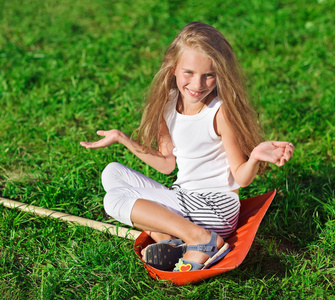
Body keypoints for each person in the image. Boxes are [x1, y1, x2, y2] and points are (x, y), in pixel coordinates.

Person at [80, 22, 294, 272]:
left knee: (114, 200)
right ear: (173, 69)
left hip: (215, 209)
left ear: (220, 75)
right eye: (189, 73)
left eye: (208, 75)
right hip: (187, 200)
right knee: (112, 172)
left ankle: (203, 240)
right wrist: (123, 138)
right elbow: (167, 163)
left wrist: (255, 156)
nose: (198, 84)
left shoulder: (219, 112)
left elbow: (241, 178)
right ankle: (169, 240)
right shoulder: (167, 104)